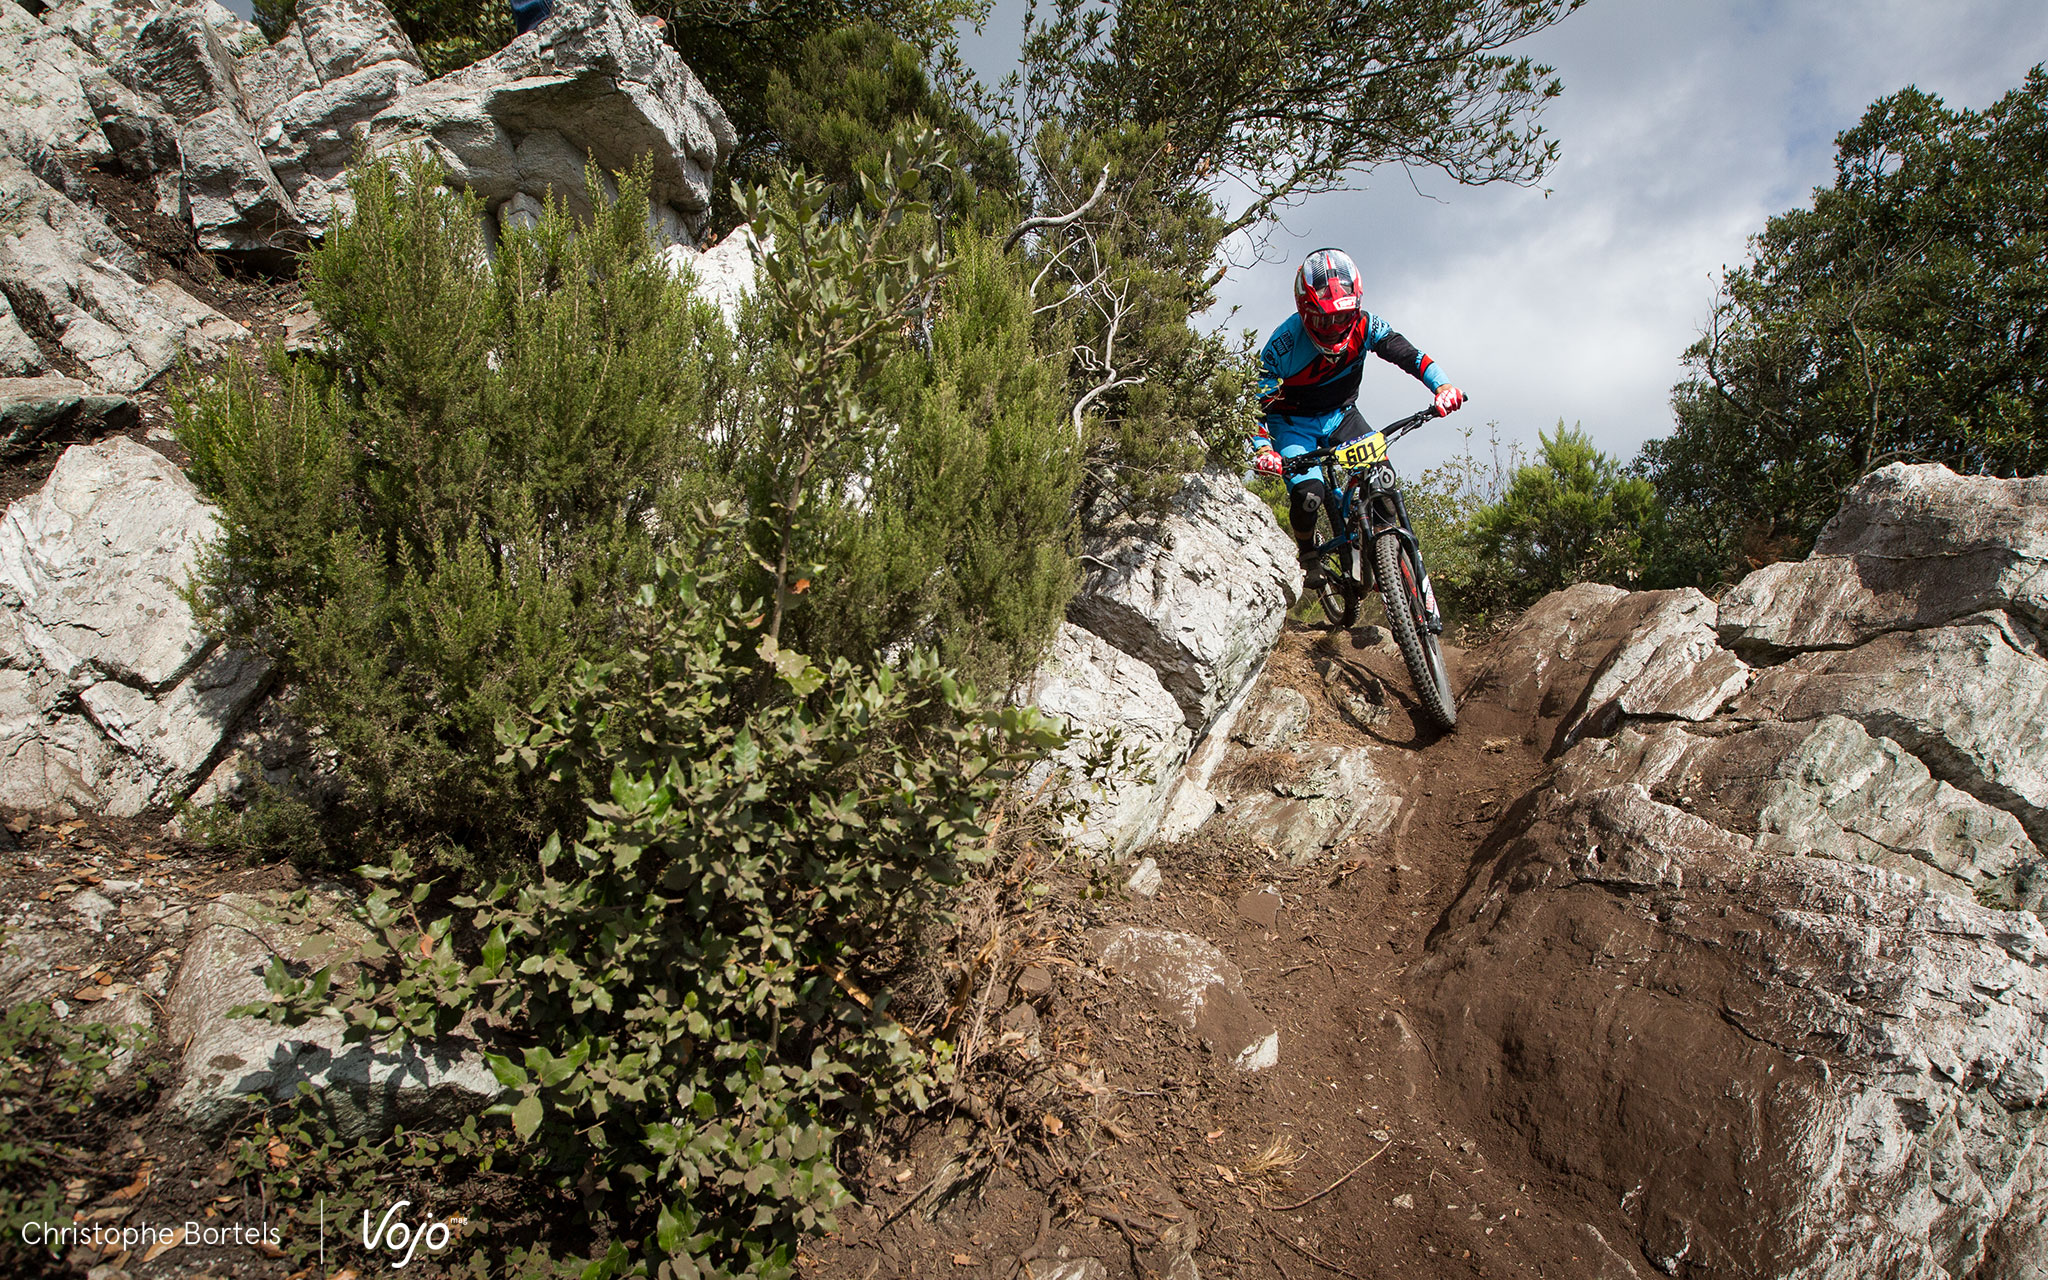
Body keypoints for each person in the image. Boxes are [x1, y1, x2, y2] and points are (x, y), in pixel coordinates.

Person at [1252, 247, 1464, 585]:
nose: (1335, 328)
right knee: (1309, 496)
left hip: (1342, 415)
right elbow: (1254, 408)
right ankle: (1307, 553)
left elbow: (1409, 355)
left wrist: (1443, 387)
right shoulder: (1282, 346)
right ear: (1305, 311)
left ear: (1358, 306)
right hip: (1294, 428)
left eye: (1342, 317)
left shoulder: (1366, 326)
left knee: (1384, 480)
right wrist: (1265, 452)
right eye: (1324, 319)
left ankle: (1391, 564)